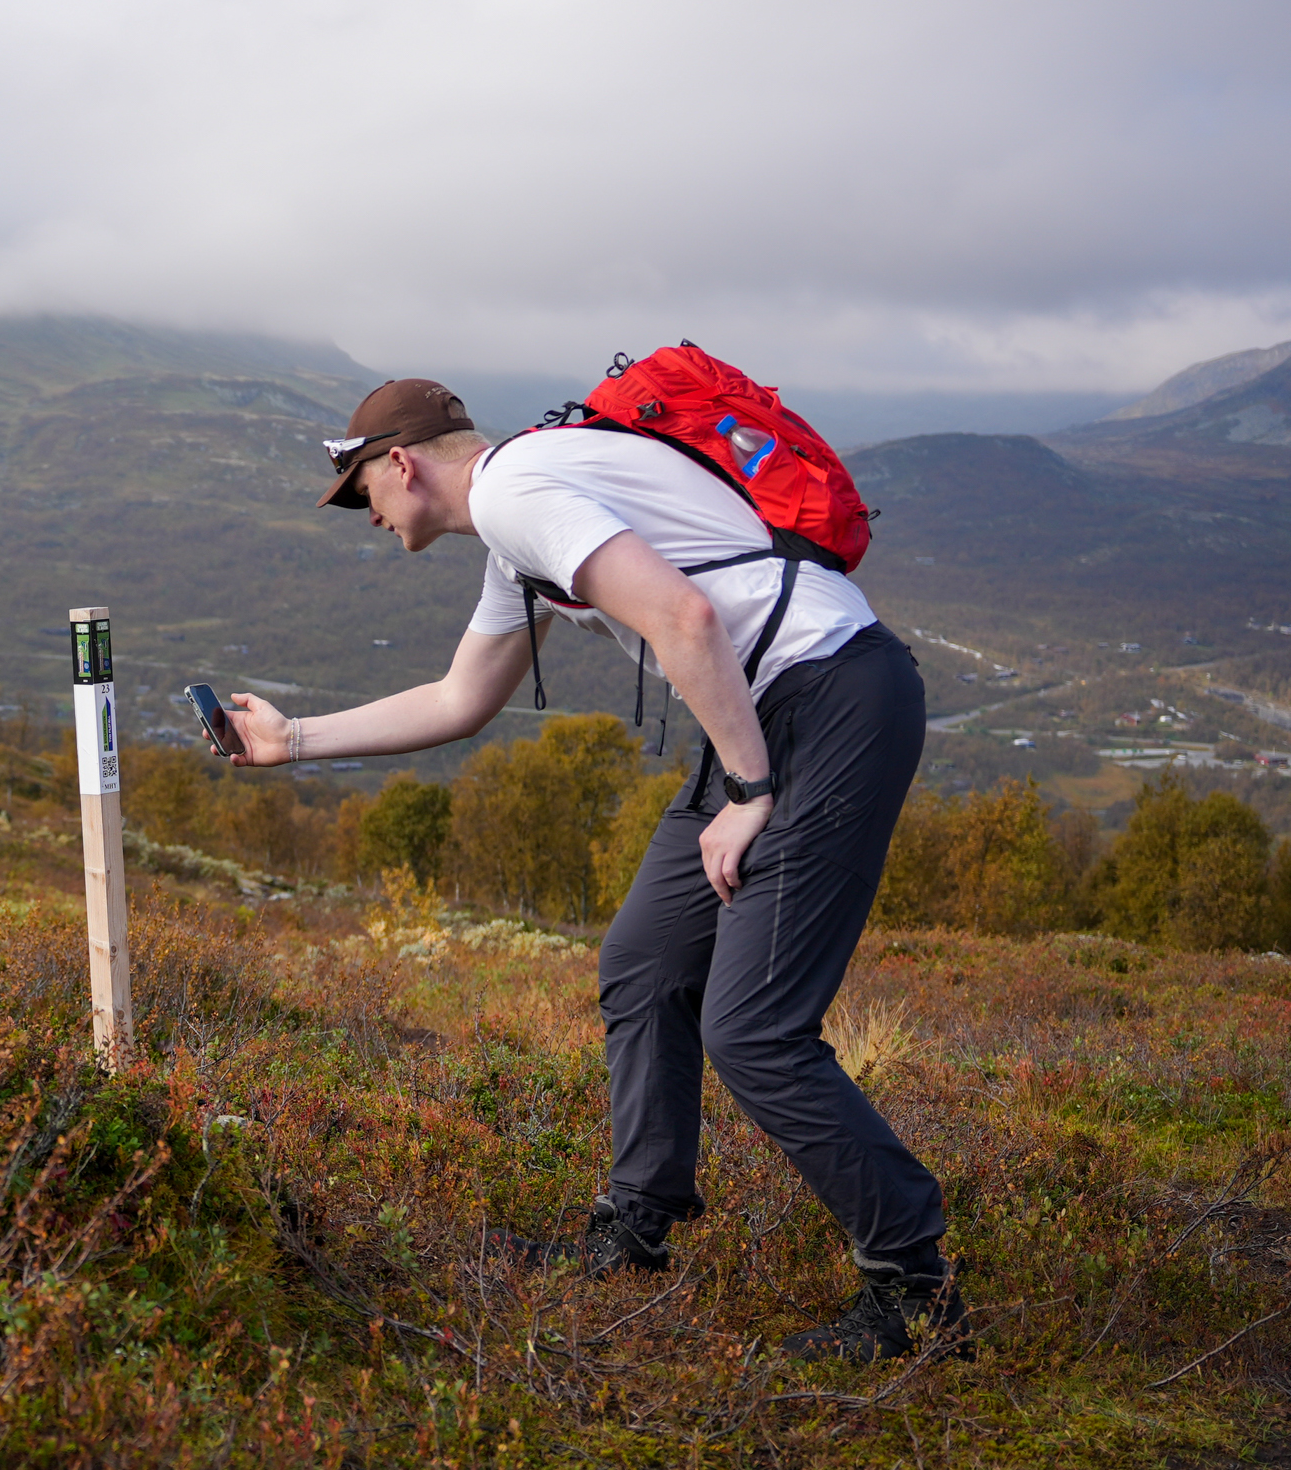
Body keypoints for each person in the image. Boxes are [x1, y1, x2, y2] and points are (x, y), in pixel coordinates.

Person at [215, 376, 965, 1366]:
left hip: (829, 703)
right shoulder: (515, 526)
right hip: (763, 712)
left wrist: (747, 793)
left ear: (400, 463)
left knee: (754, 1027)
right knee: (645, 962)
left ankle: (913, 1292)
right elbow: (459, 698)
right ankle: (634, 1228)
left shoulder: (516, 491)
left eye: (362, 496)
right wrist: (290, 741)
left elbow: (686, 621)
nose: (368, 519)